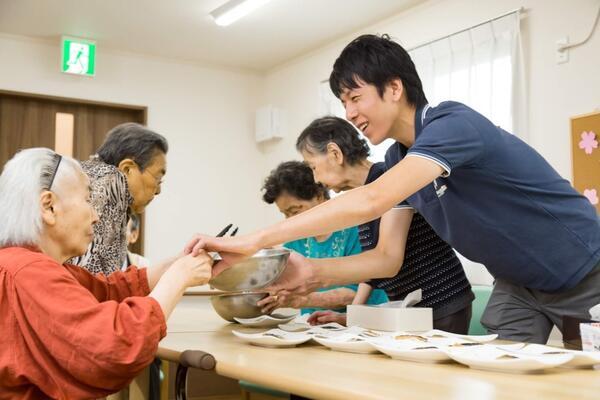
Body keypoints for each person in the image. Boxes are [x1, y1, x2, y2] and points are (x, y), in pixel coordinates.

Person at [188, 34, 600, 344]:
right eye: (342, 103)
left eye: (355, 97)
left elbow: (370, 200)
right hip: (517, 285)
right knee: (499, 379)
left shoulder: (453, 125)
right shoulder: (399, 163)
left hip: (586, 269)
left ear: (395, 88)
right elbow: (386, 258)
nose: (350, 114)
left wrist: (252, 241)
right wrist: (314, 273)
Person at [0, 148, 213, 398]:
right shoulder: (30, 273)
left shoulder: (21, 263)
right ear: (49, 207)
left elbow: (108, 291)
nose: (96, 216)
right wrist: (178, 280)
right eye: (88, 200)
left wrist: (178, 263)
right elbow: (113, 347)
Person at [266, 116, 473, 333]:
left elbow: (387, 260)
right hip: (408, 310)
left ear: (335, 153)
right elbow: (372, 269)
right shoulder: (362, 197)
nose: (316, 179)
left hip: (441, 301)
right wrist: (349, 316)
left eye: (313, 167)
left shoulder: (388, 179)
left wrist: (311, 277)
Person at [261, 160, 388, 315]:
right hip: (314, 328)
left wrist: (304, 300)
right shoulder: (294, 244)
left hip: (365, 324)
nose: (290, 220)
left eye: (294, 211)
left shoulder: (357, 229)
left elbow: (358, 291)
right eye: (285, 214)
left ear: (319, 196)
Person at [71, 122, 168, 275]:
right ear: (127, 169)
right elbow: (99, 285)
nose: (158, 191)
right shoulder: (104, 197)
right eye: (157, 179)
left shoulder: (87, 179)